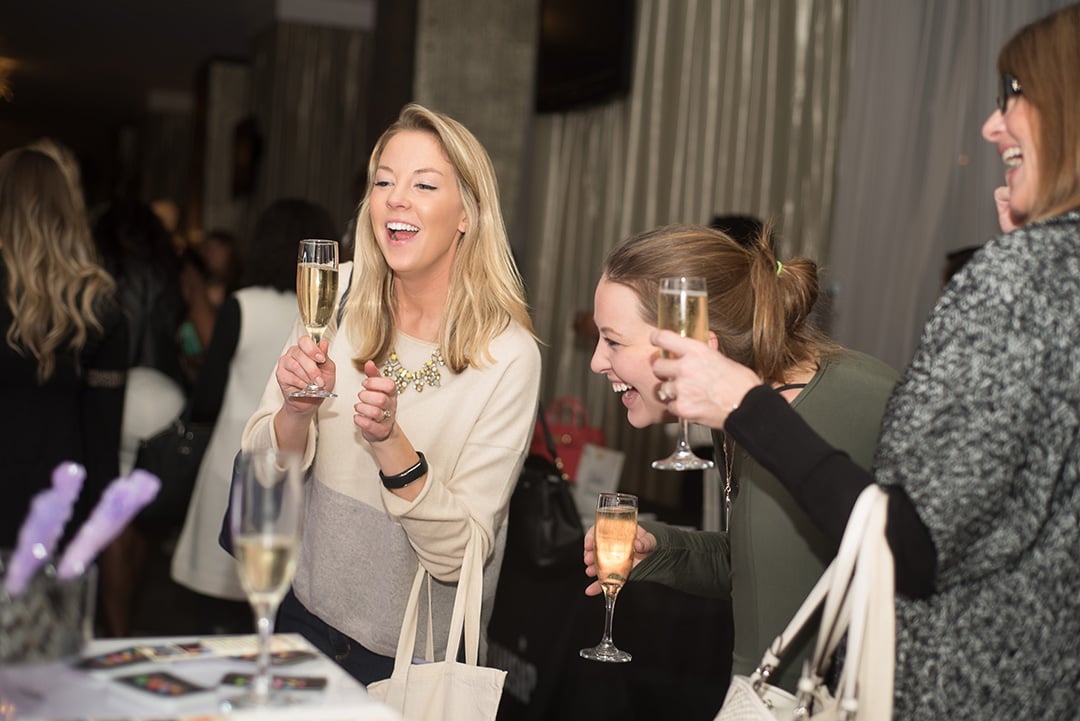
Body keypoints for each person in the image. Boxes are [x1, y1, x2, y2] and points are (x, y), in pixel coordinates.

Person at [648, 5, 1080, 718]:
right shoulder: (1047, 275)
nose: (992, 124)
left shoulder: (1018, 281)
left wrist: (745, 404)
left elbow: (909, 544)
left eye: (1014, 92)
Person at [241, 103, 542, 684]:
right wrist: (296, 414)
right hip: (300, 622)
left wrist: (391, 447)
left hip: (411, 663)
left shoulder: (508, 355)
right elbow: (260, 472)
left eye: (424, 184)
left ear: (467, 215)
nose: (395, 198)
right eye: (383, 182)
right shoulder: (337, 291)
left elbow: (461, 559)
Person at [581, 222, 898, 692]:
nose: (596, 362)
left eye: (614, 341)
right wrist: (661, 550)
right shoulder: (748, 415)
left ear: (690, 342)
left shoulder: (826, 413)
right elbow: (764, 565)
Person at [170, 199, 338, 634]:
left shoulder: (241, 306)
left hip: (239, 460)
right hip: (297, 471)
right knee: (267, 612)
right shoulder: (322, 313)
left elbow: (206, 396)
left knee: (215, 616)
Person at [0, 146, 128, 556]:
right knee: (48, 619)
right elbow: (102, 435)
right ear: (67, 211)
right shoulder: (100, 307)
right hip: (58, 503)